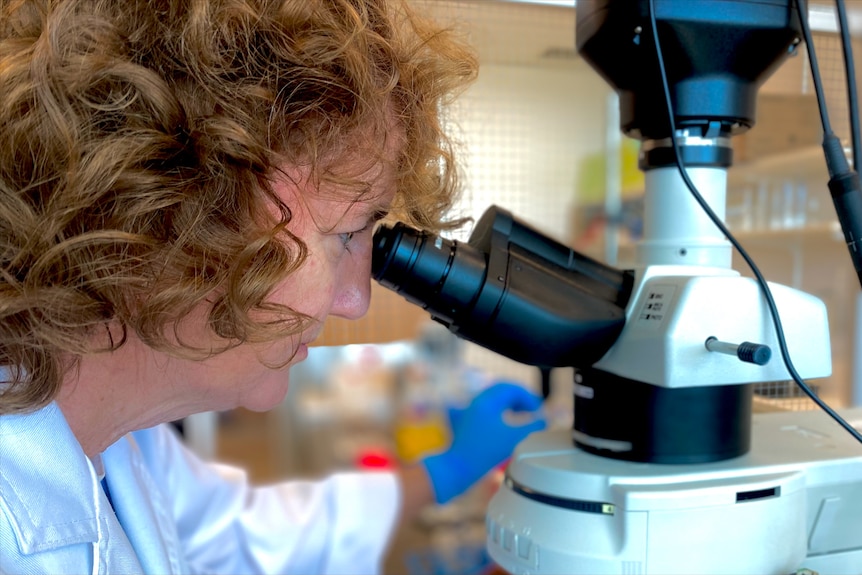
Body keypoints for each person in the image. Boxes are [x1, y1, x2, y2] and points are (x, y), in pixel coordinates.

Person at [0, 1, 546, 574]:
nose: (354, 301)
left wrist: (442, 473)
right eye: (347, 234)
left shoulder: (125, 441)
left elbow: (244, 538)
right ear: (176, 208)